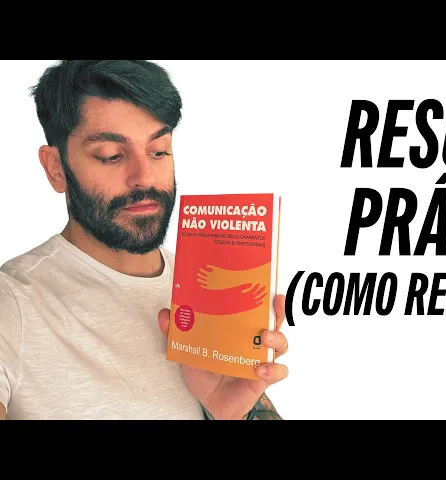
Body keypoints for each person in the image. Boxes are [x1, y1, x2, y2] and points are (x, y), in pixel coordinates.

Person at [0, 60, 289, 420]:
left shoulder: (206, 292)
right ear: (55, 168)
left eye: (159, 151)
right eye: (111, 155)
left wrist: (229, 413)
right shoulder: (13, 303)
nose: (145, 177)